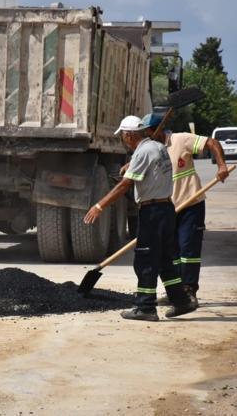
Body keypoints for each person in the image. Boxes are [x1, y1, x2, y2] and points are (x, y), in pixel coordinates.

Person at [84, 114, 197, 321]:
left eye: (123, 136)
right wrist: (133, 165)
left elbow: (124, 185)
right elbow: (148, 169)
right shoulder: (158, 147)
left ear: (128, 135)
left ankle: (145, 307)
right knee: (165, 260)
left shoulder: (143, 152)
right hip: (166, 209)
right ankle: (181, 300)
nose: (123, 140)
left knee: (145, 260)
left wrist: (99, 205)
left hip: (152, 211)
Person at [151, 127, 229, 306]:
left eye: (147, 133)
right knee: (171, 252)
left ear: (156, 130)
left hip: (191, 204)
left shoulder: (181, 139)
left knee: (189, 250)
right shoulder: (152, 147)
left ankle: (189, 291)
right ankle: (175, 292)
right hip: (169, 207)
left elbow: (212, 142)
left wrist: (221, 165)